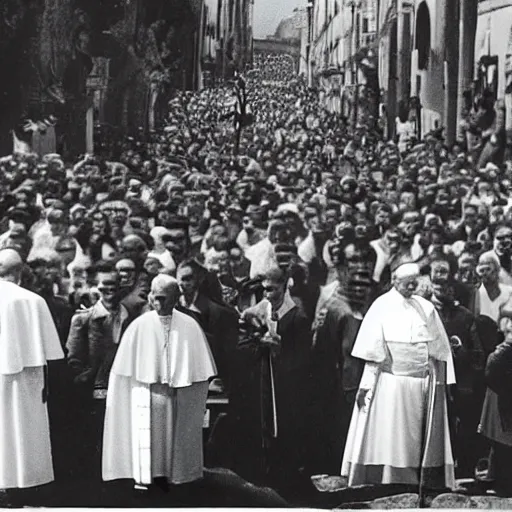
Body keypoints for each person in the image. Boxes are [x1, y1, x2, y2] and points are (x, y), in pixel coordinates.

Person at [341, 262, 456, 490]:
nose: (412, 286)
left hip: (422, 384)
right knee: (393, 437)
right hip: (390, 383)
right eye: (407, 282)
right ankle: (388, 481)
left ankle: (419, 483)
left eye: (415, 282)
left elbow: (440, 350)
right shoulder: (381, 306)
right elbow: (371, 351)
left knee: (418, 442)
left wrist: (443, 380)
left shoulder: (425, 307)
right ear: (394, 280)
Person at [102, 274, 217, 489]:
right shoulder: (138, 325)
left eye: (165, 298)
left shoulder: (189, 325)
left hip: (178, 397)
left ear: (177, 297)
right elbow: (122, 372)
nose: (159, 303)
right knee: (149, 442)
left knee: (175, 444)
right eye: (156, 297)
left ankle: (177, 477)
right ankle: (149, 478)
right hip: (147, 394)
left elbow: (200, 372)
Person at [0, 248, 64, 489]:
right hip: (28, 376)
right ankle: (23, 483)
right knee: (23, 427)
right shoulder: (34, 300)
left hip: (20, 373)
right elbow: (52, 353)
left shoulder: (33, 299)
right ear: (20, 271)